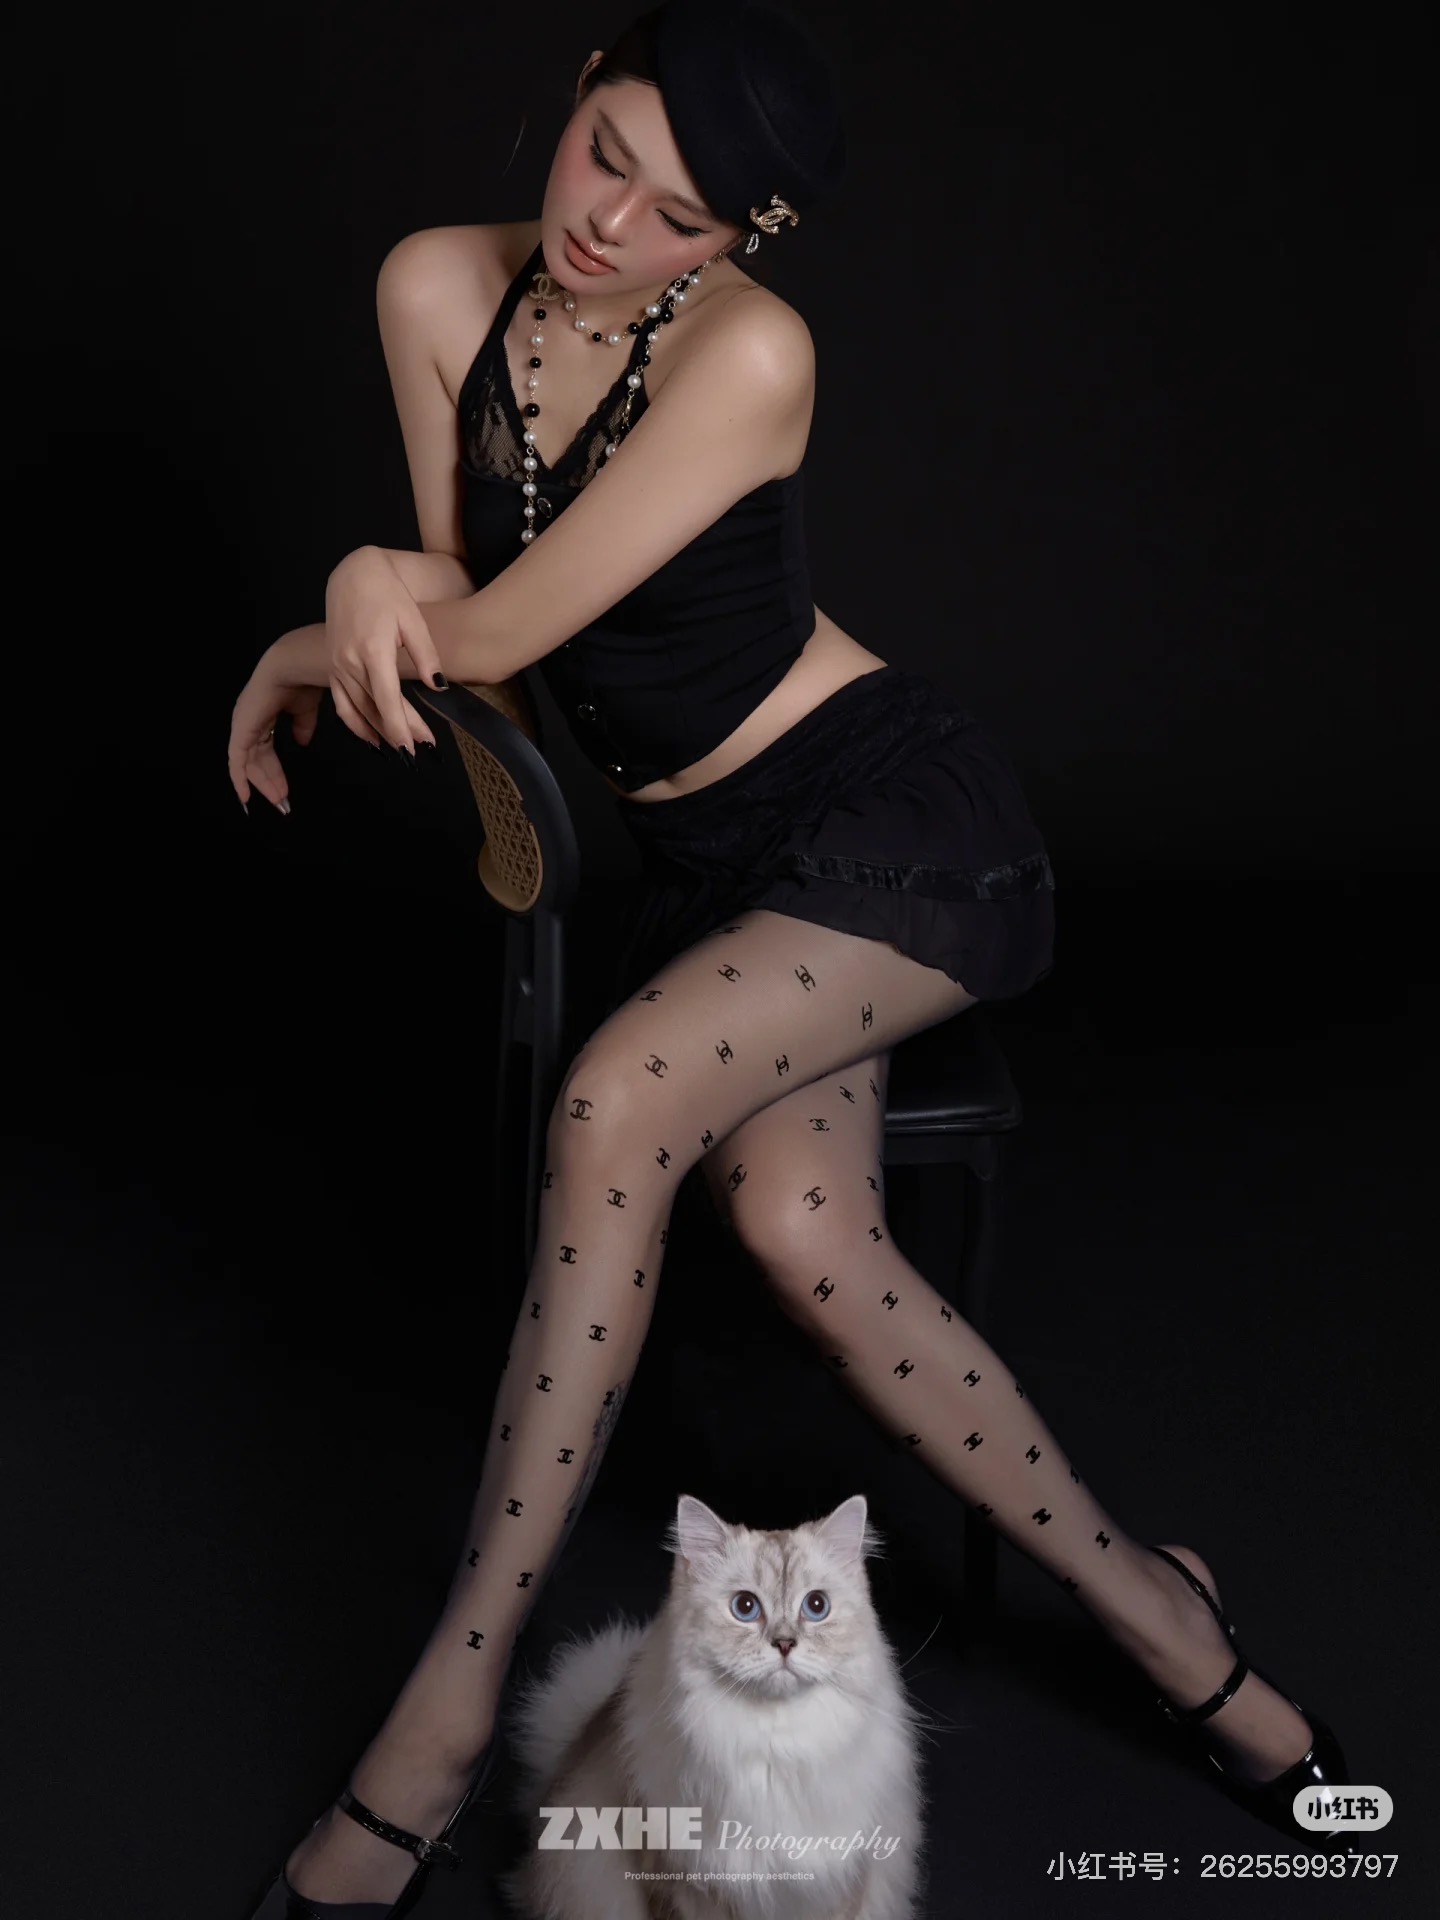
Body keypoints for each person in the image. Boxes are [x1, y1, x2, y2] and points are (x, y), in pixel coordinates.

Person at [234, 4, 1347, 1913]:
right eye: (607, 155)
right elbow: (473, 633)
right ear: (579, 86)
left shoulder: (753, 353)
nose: (610, 225)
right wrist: (377, 597)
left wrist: (310, 631)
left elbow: (470, 633)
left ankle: (439, 1724)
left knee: (614, 1106)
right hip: (716, 870)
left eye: (678, 215)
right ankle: (1171, 1625)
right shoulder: (436, 288)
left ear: (745, 238)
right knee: (798, 1228)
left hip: (885, 825)